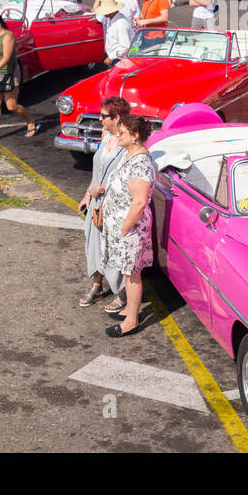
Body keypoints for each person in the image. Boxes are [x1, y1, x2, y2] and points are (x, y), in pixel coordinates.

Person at [101, 113, 155, 338]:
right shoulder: (130, 156)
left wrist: (124, 227)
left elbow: (140, 201)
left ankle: (131, 320)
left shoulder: (141, 163)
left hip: (131, 229)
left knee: (133, 275)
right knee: (127, 271)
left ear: (134, 136)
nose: (118, 134)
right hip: (124, 227)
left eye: (122, 132)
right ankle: (129, 310)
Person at [77, 96, 132, 308]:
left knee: (114, 246)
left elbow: (128, 176)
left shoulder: (128, 141)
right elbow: (98, 168)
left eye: (103, 116)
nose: (100, 119)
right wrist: (88, 194)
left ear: (117, 118)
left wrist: (103, 189)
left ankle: (123, 290)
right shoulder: (105, 135)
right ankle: (97, 284)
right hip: (96, 201)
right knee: (93, 243)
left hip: (115, 204)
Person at [0, 12, 39, 142]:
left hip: (8, 73)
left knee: (11, 106)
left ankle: (30, 121)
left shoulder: (8, 36)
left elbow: (6, 57)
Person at [96, 0, 134, 65]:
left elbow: (125, 47)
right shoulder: (114, 19)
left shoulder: (120, 24)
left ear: (110, 12)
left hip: (119, 60)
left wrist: (111, 57)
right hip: (116, 58)